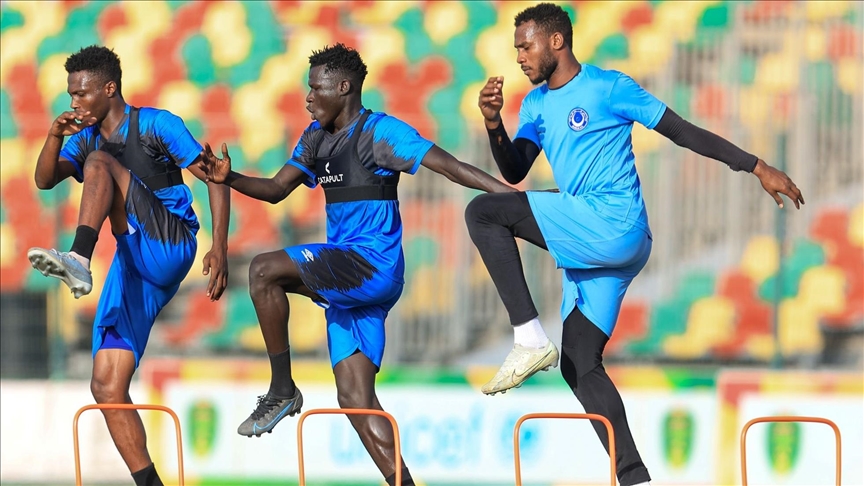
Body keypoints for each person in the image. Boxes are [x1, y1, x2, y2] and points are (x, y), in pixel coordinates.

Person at [467, 4, 805, 486]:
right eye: (516, 48)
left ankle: (528, 337)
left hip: (612, 222)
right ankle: (634, 478)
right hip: (607, 241)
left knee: (482, 213)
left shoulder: (609, 87)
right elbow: (515, 169)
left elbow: (681, 131)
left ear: (556, 41)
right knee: (578, 361)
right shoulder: (536, 104)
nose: (519, 56)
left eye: (526, 45)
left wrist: (756, 166)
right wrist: (493, 123)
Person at [198, 43, 514, 486]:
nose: (308, 97)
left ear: (344, 87)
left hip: (371, 266)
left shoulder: (380, 132)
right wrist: (228, 177)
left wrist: (516, 199)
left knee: (263, 271)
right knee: (354, 399)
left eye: (316, 88)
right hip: (347, 280)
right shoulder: (315, 137)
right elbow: (275, 190)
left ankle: (282, 390)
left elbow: (451, 167)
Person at [27, 45, 230, 486]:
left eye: (81, 94)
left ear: (109, 89)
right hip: (134, 260)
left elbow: (215, 176)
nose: (74, 102)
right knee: (106, 385)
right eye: (70, 94)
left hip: (171, 242)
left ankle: (78, 258)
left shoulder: (157, 125)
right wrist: (55, 134)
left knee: (100, 163)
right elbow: (44, 180)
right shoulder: (84, 136)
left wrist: (220, 247)